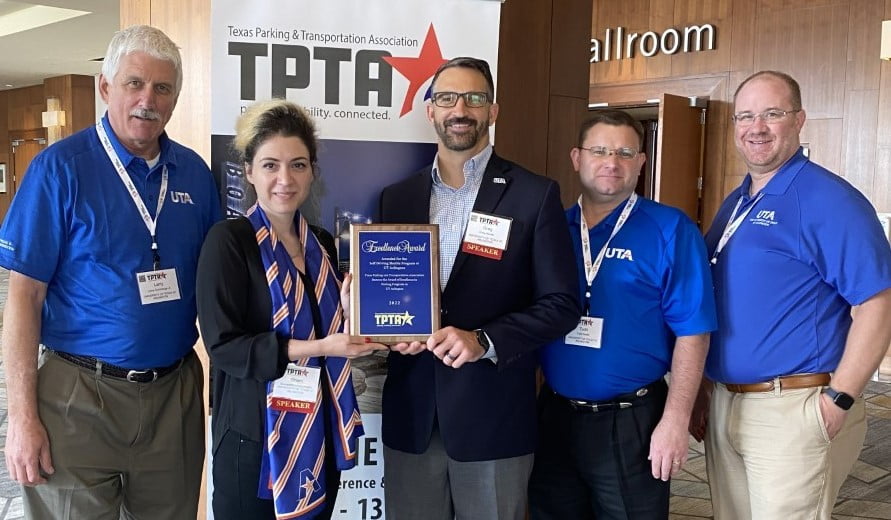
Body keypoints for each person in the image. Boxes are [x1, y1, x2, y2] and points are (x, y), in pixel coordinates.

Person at [0, 25, 221, 519]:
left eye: (162, 88)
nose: (148, 100)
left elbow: (216, 287)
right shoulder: (59, 169)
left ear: (175, 97)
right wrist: (21, 417)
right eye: (134, 84)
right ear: (105, 86)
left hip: (174, 396)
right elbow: (23, 296)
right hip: (77, 398)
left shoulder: (194, 175)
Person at [377, 56, 581, 520]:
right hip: (412, 417)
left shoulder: (534, 194)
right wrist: (380, 319)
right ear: (430, 110)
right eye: (447, 98)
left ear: (493, 111)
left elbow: (562, 304)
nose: (460, 109)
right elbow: (390, 291)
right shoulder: (398, 197)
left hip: (493, 420)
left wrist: (483, 340)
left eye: (475, 98)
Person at [694, 70, 891, 519]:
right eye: (745, 116)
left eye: (772, 114)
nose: (756, 127)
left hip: (794, 408)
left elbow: (878, 304)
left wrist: (838, 400)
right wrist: (706, 388)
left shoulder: (827, 199)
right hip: (730, 405)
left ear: (799, 119)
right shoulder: (738, 201)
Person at [196, 99, 386, 519]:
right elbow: (224, 346)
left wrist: (353, 312)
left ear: (312, 171)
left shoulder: (319, 242)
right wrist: (320, 347)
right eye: (270, 165)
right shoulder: (228, 242)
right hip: (253, 439)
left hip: (317, 437)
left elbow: (333, 330)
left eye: (298, 165)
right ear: (249, 172)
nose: (285, 178)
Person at [526, 109, 717, 519]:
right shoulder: (551, 230)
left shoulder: (670, 229)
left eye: (625, 152)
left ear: (641, 162)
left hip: (634, 422)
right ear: (577, 158)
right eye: (600, 150)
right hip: (555, 416)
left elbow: (694, 332)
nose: (611, 162)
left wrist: (675, 420)